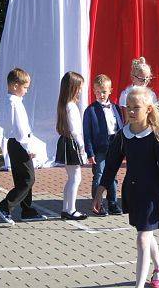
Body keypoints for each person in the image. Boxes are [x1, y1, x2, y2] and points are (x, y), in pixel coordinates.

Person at [92, 86, 159, 288]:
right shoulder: (123, 135)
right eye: (128, 107)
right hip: (134, 193)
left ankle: (139, 285)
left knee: (142, 238)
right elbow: (111, 165)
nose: (130, 111)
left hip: (152, 195)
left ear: (148, 109)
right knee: (145, 233)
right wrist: (100, 191)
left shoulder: (155, 135)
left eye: (136, 107)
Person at [0, 68, 47, 225]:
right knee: (28, 179)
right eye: (25, 87)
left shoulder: (9, 100)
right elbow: (20, 130)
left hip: (14, 143)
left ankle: (27, 210)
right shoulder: (14, 103)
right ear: (15, 85)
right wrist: (28, 148)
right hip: (19, 144)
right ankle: (5, 206)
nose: (26, 91)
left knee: (22, 178)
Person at [83, 74, 124, 216]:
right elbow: (87, 133)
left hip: (114, 145)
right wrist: (90, 152)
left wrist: (123, 146)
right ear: (94, 91)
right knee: (99, 175)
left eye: (104, 91)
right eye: (98, 91)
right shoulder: (90, 110)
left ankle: (112, 203)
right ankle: (98, 204)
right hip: (99, 147)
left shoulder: (116, 108)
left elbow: (120, 127)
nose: (101, 94)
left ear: (110, 91)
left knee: (112, 175)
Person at [55, 71, 88, 220]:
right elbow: (75, 130)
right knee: (76, 178)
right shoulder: (71, 106)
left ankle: (66, 208)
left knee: (71, 178)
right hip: (72, 144)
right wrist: (82, 147)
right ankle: (71, 209)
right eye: (79, 87)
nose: (81, 90)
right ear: (73, 88)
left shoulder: (63, 104)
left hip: (65, 142)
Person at [119, 57, 157, 122]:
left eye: (147, 78)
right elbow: (126, 118)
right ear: (133, 78)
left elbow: (153, 116)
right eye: (141, 78)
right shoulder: (126, 94)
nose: (145, 81)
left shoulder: (151, 95)